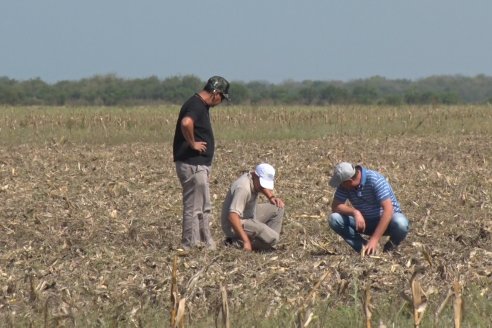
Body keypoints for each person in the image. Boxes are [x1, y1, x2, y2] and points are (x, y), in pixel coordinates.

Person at [173, 76, 230, 250]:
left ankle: (205, 243)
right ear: (215, 93)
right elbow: (186, 122)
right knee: (193, 206)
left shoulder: (200, 105)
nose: (220, 102)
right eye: (222, 97)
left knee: (204, 206)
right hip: (193, 164)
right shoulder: (195, 105)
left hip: (199, 165)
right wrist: (192, 143)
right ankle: (189, 244)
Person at [327, 162, 409, 255]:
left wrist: (374, 239)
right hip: (365, 223)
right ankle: (365, 249)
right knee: (334, 219)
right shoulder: (345, 185)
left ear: (349, 181)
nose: (340, 186)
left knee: (401, 223)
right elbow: (336, 206)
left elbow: (388, 210)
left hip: (387, 222)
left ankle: (390, 248)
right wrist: (355, 212)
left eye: (341, 184)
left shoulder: (375, 180)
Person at [221, 163, 285, 252]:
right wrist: (246, 241)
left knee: (278, 208)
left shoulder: (252, 177)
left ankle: (266, 242)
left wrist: (271, 197)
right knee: (273, 238)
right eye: (263, 183)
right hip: (234, 224)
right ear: (255, 175)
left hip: (249, 214)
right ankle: (235, 242)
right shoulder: (243, 188)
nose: (264, 187)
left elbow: (261, 186)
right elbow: (232, 217)